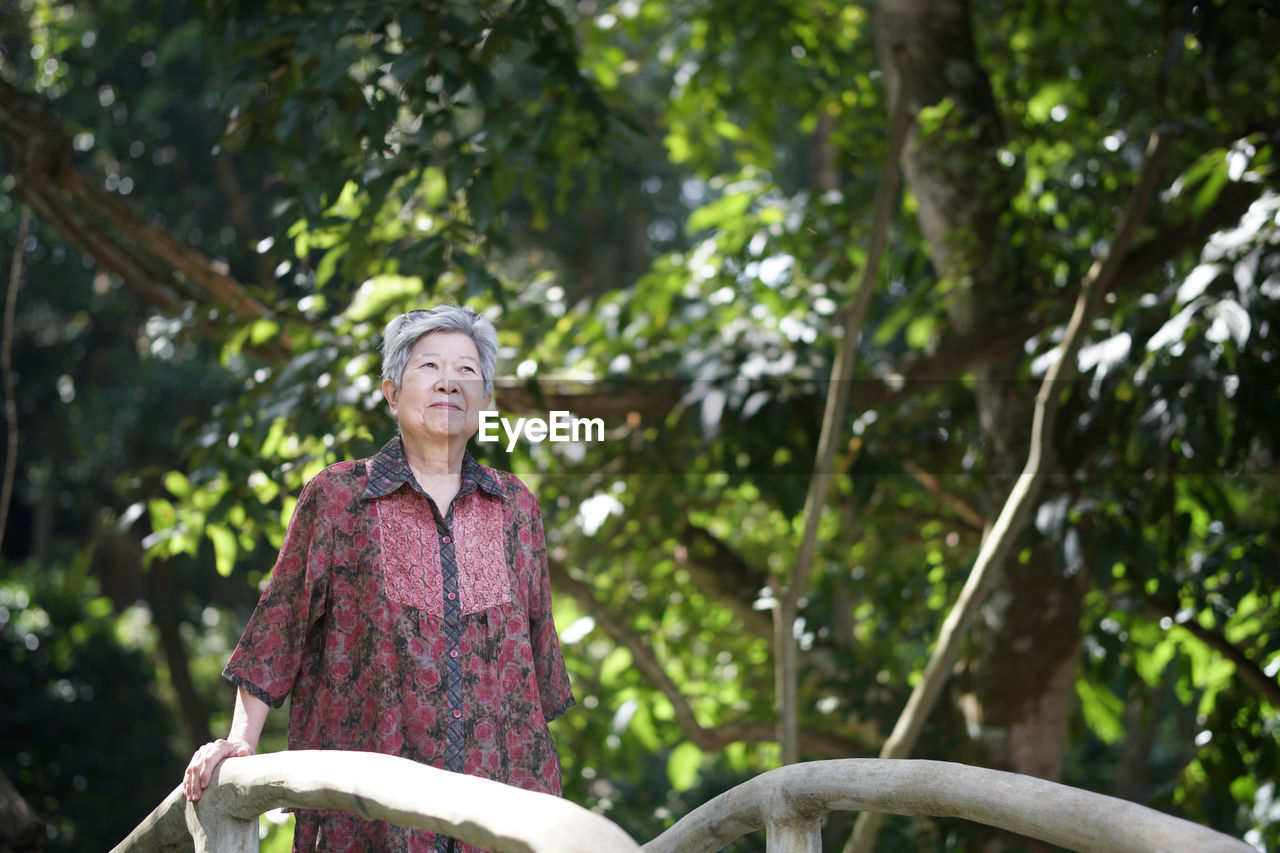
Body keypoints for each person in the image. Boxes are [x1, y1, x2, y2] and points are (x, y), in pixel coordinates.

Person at [182, 306, 575, 852]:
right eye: (429, 365)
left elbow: (536, 665)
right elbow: (280, 625)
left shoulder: (516, 507)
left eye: (467, 371)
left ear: (486, 401)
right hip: (369, 818)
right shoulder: (339, 496)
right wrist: (239, 741)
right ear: (391, 392)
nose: (448, 381)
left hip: (501, 811)